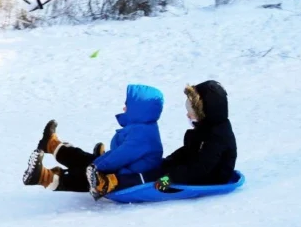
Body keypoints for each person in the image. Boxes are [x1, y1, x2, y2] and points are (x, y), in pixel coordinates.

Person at [87, 80, 238, 199]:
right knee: (158, 169)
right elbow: (189, 151)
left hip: (207, 179)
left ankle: (111, 183)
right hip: (193, 171)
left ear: (205, 112)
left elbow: (201, 168)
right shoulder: (207, 128)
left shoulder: (217, 137)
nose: (188, 115)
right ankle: (110, 176)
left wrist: (171, 177)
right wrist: (171, 161)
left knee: (154, 180)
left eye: (192, 112)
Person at [22, 84, 164, 194]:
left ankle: (43, 177)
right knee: (88, 162)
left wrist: (98, 166)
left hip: (125, 178)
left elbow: (122, 155)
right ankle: (52, 145)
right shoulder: (140, 128)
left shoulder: (143, 135)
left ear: (140, 110)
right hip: (123, 169)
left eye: (128, 106)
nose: (123, 108)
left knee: (87, 172)